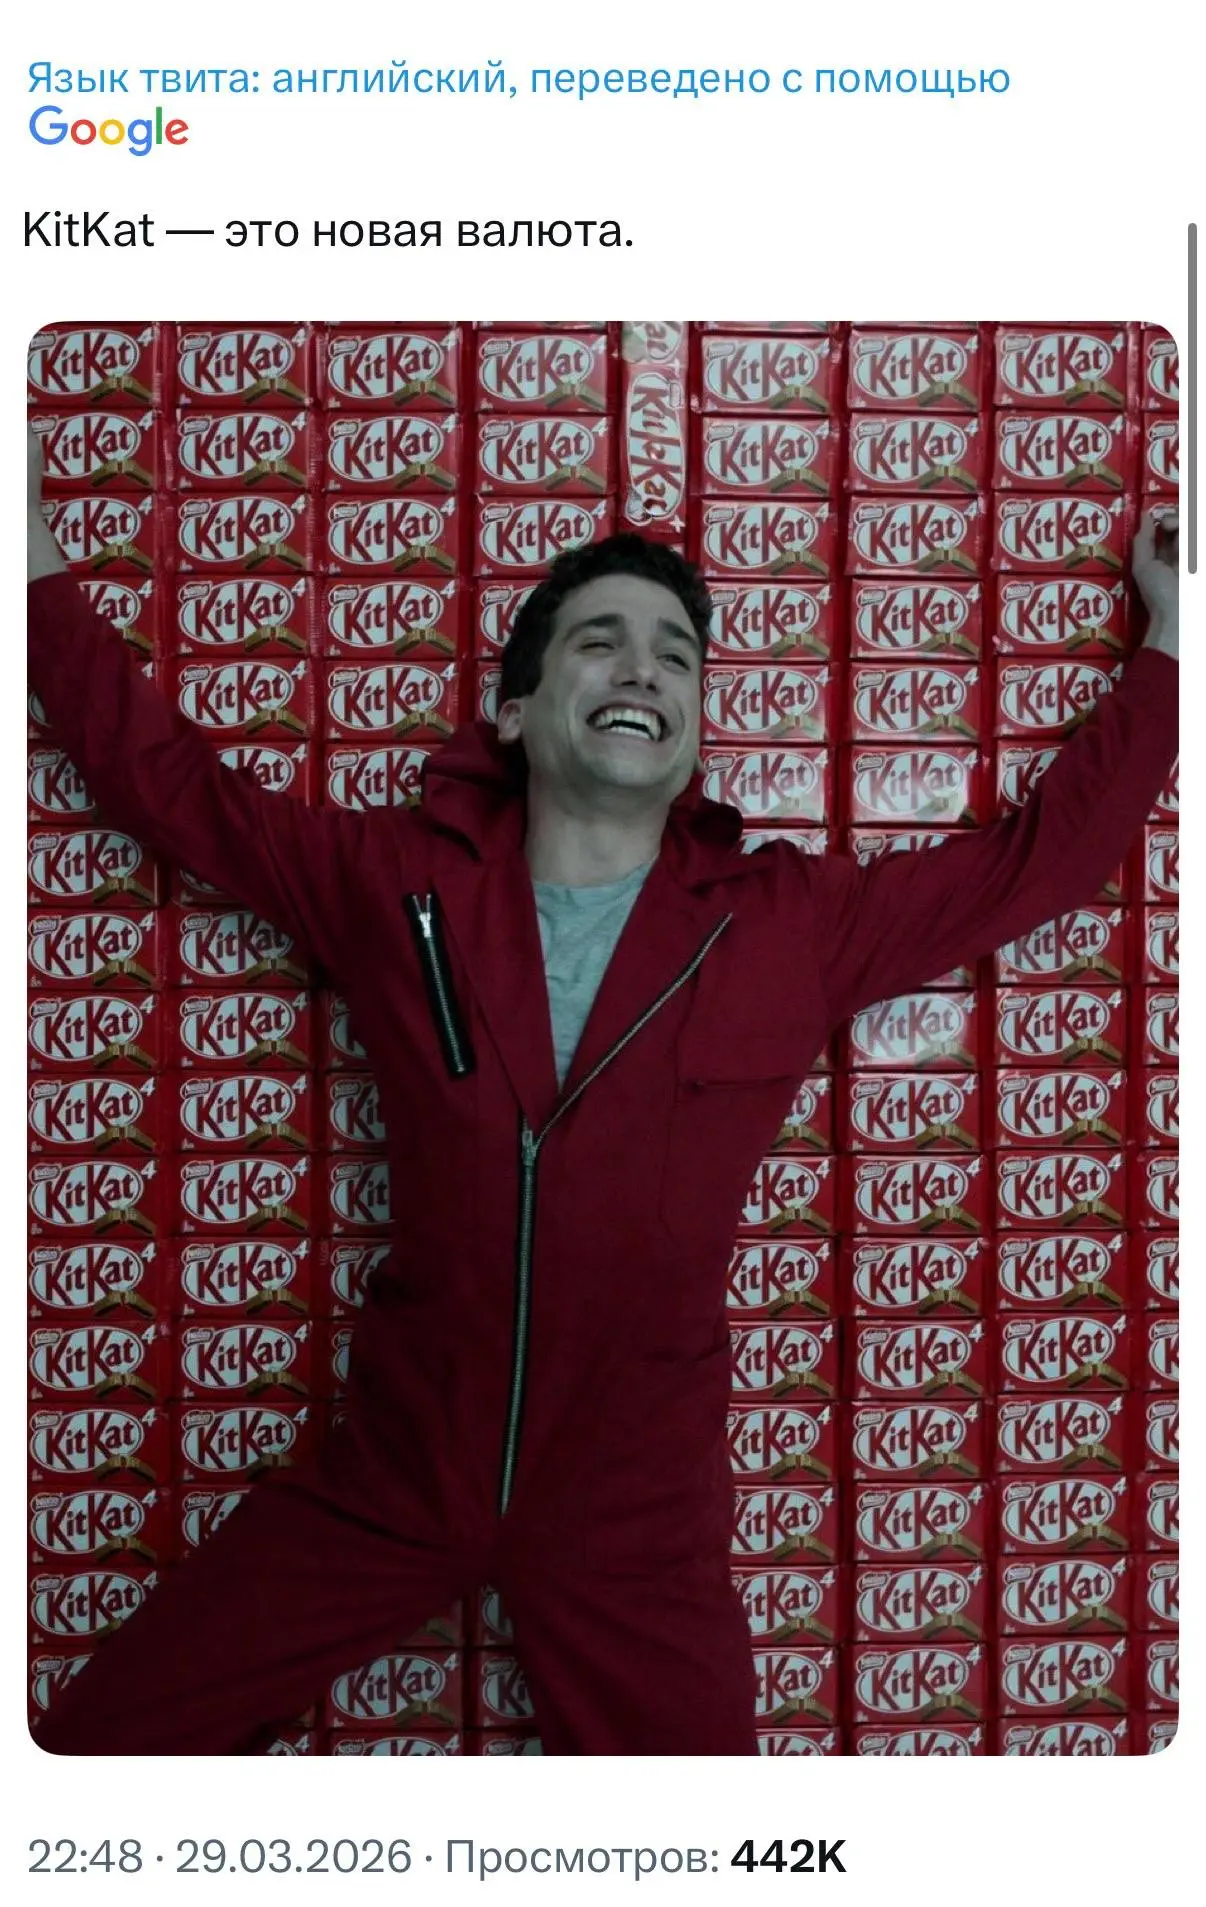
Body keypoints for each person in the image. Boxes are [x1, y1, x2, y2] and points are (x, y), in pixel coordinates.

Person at [27, 425, 1179, 1755]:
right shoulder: (392, 881)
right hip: (394, 1478)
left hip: (633, 1525)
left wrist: (1173, 635)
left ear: (692, 736)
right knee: (97, 1751)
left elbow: (1042, 861)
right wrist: (25, 543)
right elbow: (161, 781)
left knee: (702, 1848)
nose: (643, 668)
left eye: (675, 656)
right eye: (599, 641)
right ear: (515, 714)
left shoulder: (786, 924)